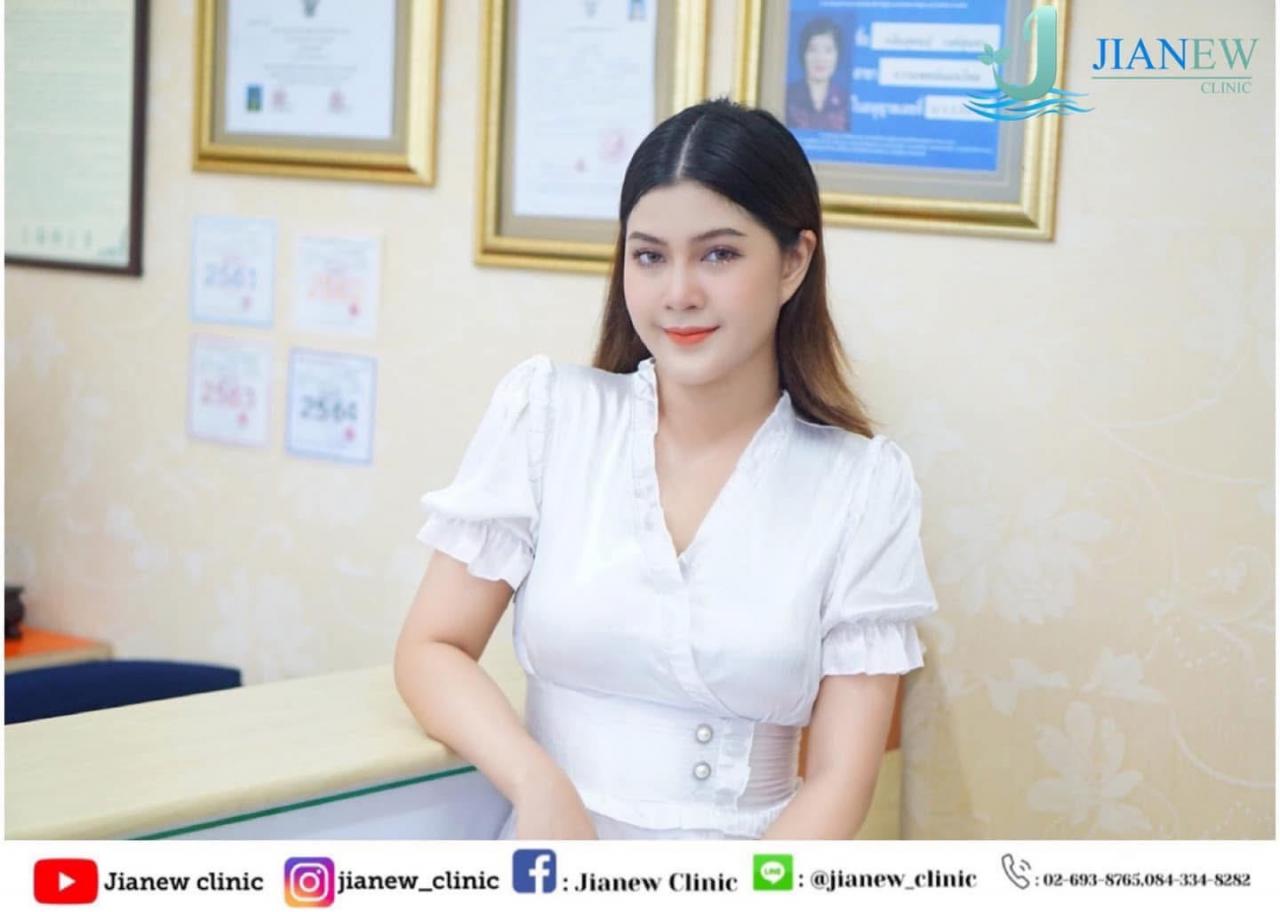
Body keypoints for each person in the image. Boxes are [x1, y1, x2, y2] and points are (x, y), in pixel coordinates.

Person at [393, 98, 938, 840]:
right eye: (649, 256)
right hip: (551, 853)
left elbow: (842, 778)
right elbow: (431, 649)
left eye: (719, 255)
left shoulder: (864, 484)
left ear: (794, 262)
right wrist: (537, 782)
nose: (679, 292)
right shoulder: (550, 415)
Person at [784, 17, 850, 132]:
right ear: (803, 54)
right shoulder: (788, 96)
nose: (820, 58)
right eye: (813, 49)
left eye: (828, 50)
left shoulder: (846, 101)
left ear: (838, 56)